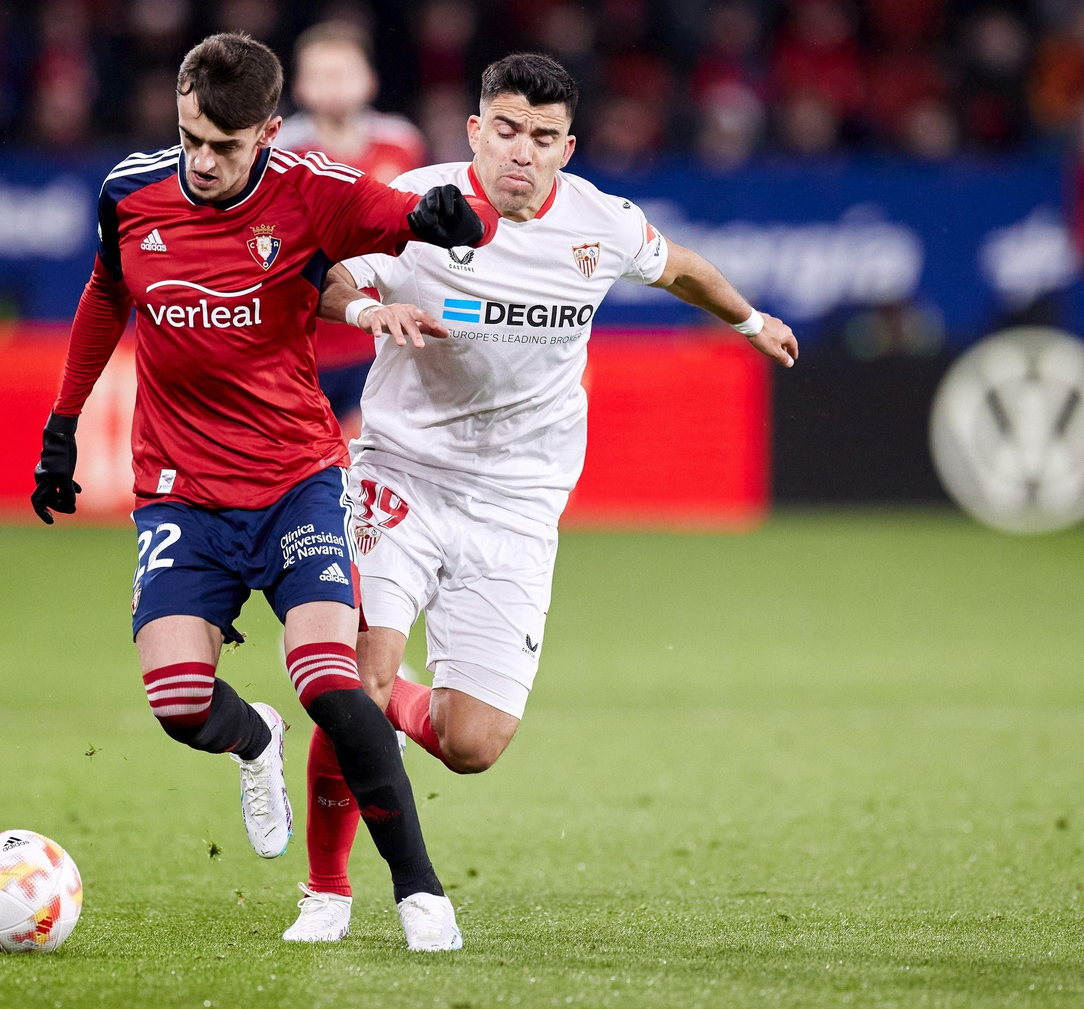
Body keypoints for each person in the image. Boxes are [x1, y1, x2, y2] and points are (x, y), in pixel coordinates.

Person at [284, 53, 799, 942]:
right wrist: (371, 312)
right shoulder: (416, 204)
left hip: (519, 502)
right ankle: (326, 891)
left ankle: (390, 697)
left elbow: (679, 268)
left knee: (473, 742)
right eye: (509, 130)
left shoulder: (599, 224)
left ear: (570, 146)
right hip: (399, 472)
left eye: (545, 137)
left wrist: (750, 322)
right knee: (354, 677)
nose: (524, 152)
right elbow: (326, 280)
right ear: (477, 131)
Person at [28, 32, 498, 950]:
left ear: (268, 131)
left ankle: (419, 890)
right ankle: (256, 744)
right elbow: (103, 297)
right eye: (191, 137)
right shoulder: (130, 191)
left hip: (296, 480)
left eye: (226, 146)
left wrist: (446, 216)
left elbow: (405, 214)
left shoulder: (312, 187)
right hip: (179, 490)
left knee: (331, 679)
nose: (203, 161)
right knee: (175, 703)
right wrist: (61, 424)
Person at [276, 22, 428, 424]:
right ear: (299, 87)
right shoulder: (280, 150)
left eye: (343, 74)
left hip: (381, 338)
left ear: (370, 81)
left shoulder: (403, 142)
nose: (333, 85)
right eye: (320, 75)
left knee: (370, 460)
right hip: (305, 340)